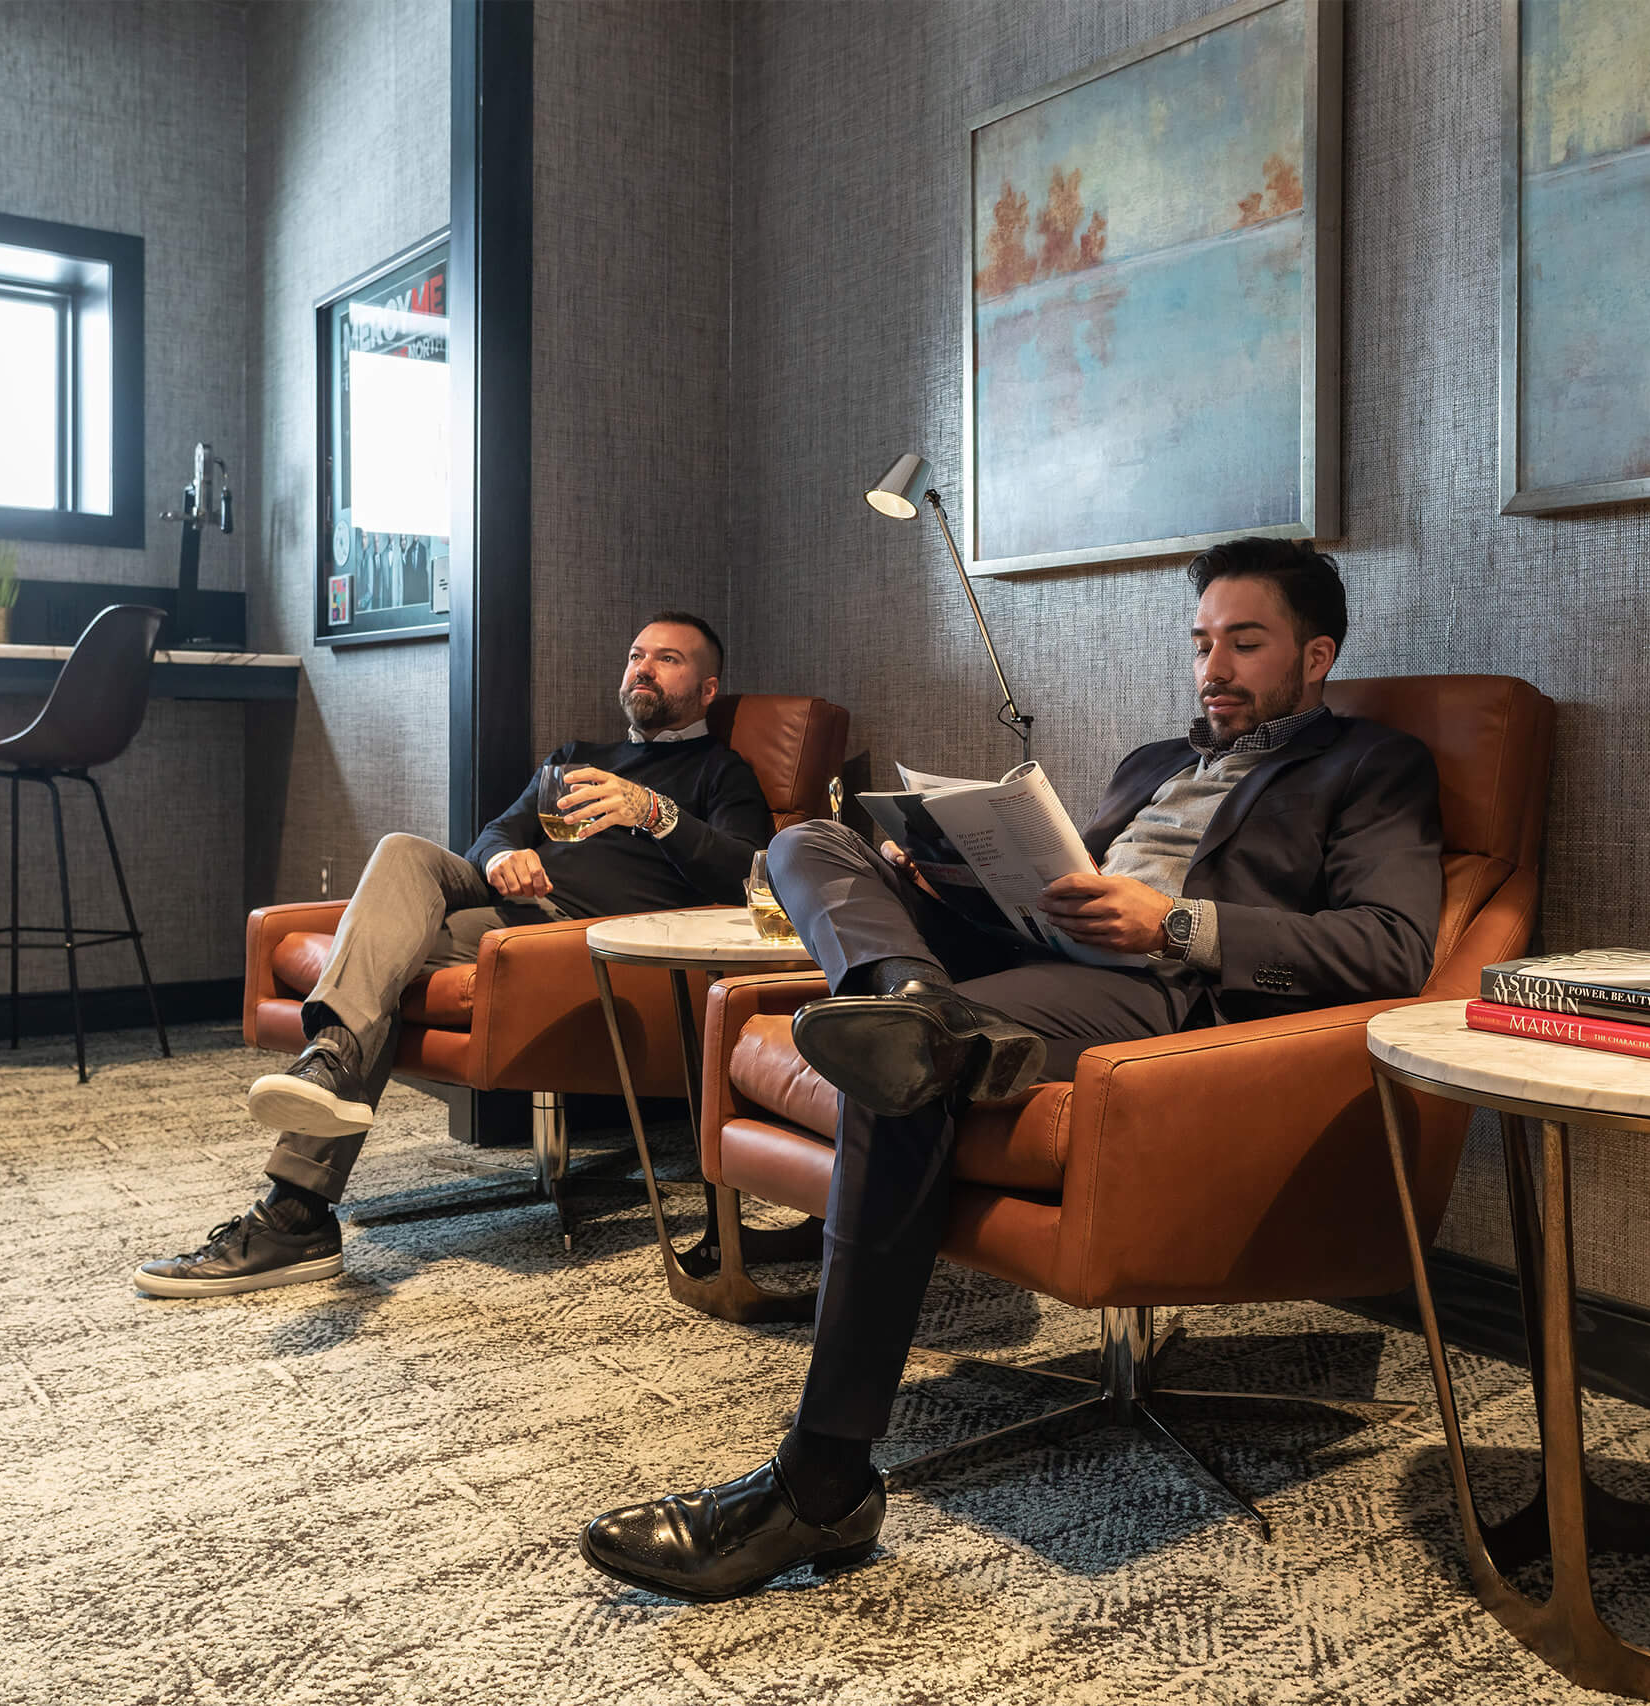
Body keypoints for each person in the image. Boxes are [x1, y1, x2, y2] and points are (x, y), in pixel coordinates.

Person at [579, 539, 1445, 1601]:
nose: (1212, 665)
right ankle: (909, 995)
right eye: (1202, 641)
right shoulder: (1149, 761)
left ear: (1314, 656)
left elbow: (1392, 945)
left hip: (1163, 992)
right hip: (1038, 956)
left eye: (1244, 641)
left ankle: (823, 1476)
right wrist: (942, 874)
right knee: (812, 844)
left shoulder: (1372, 764)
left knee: (900, 1072)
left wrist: (1172, 921)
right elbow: (1058, 884)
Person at [135, 612, 774, 1299]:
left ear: (708, 690)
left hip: (572, 939)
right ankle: (332, 1061)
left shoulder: (719, 771)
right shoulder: (576, 756)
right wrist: (503, 858)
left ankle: (295, 1213)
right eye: (635, 655)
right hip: (505, 914)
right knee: (404, 852)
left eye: (668, 659)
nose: (642, 669)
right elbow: (491, 834)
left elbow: (750, 876)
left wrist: (655, 812)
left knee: (376, 969)